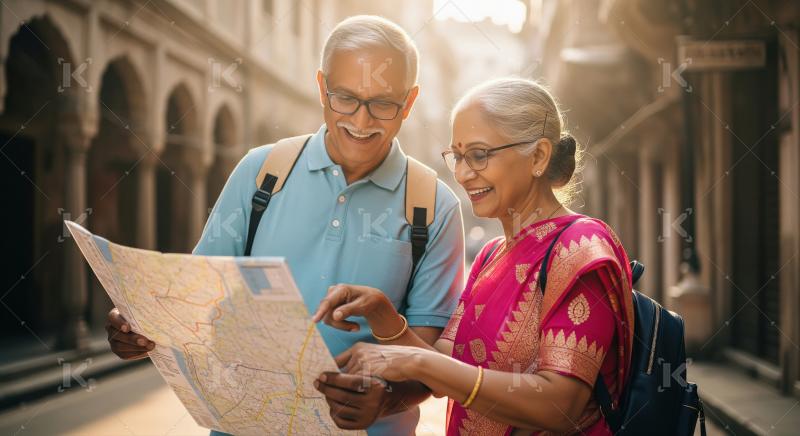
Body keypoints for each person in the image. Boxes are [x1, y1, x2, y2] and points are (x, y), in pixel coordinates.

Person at [104, 15, 465, 435]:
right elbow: (196, 293)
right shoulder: (262, 174)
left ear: (410, 101)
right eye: (345, 98)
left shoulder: (433, 207)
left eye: (383, 103)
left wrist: (388, 398)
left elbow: (432, 364)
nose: (362, 122)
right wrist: (140, 323)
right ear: (321, 87)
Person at [312, 77, 635, 435]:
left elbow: (561, 404)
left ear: (539, 156)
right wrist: (382, 313)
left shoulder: (581, 247)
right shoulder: (490, 256)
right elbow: (444, 368)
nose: (464, 174)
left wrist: (415, 360)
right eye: (457, 157)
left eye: (479, 155)